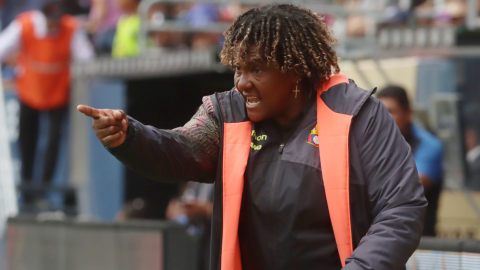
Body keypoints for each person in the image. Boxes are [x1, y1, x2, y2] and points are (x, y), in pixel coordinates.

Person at [78, 4, 427, 269]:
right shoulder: (226, 113)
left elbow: (401, 208)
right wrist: (130, 136)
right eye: (238, 69)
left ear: (297, 71)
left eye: (256, 69)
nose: (242, 82)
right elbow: (181, 149)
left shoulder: (359, 115)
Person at [0, 0, 94, 209]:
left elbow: (87, 59)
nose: (54, 24)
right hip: (29, 92)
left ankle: (44, 190)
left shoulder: (70, 27)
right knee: (27, 141)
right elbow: (2, 48)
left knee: (52, 143)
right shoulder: (24, 24)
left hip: (58, 94)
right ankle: (26, 188)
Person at [377, 86, 443, 236]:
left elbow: (409, 188)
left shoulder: (428, 144)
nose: (384, 117)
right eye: (379, 111)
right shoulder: (372, 143)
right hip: (378, 237)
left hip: (417, 241)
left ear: (408, 113)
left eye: (391, 111)